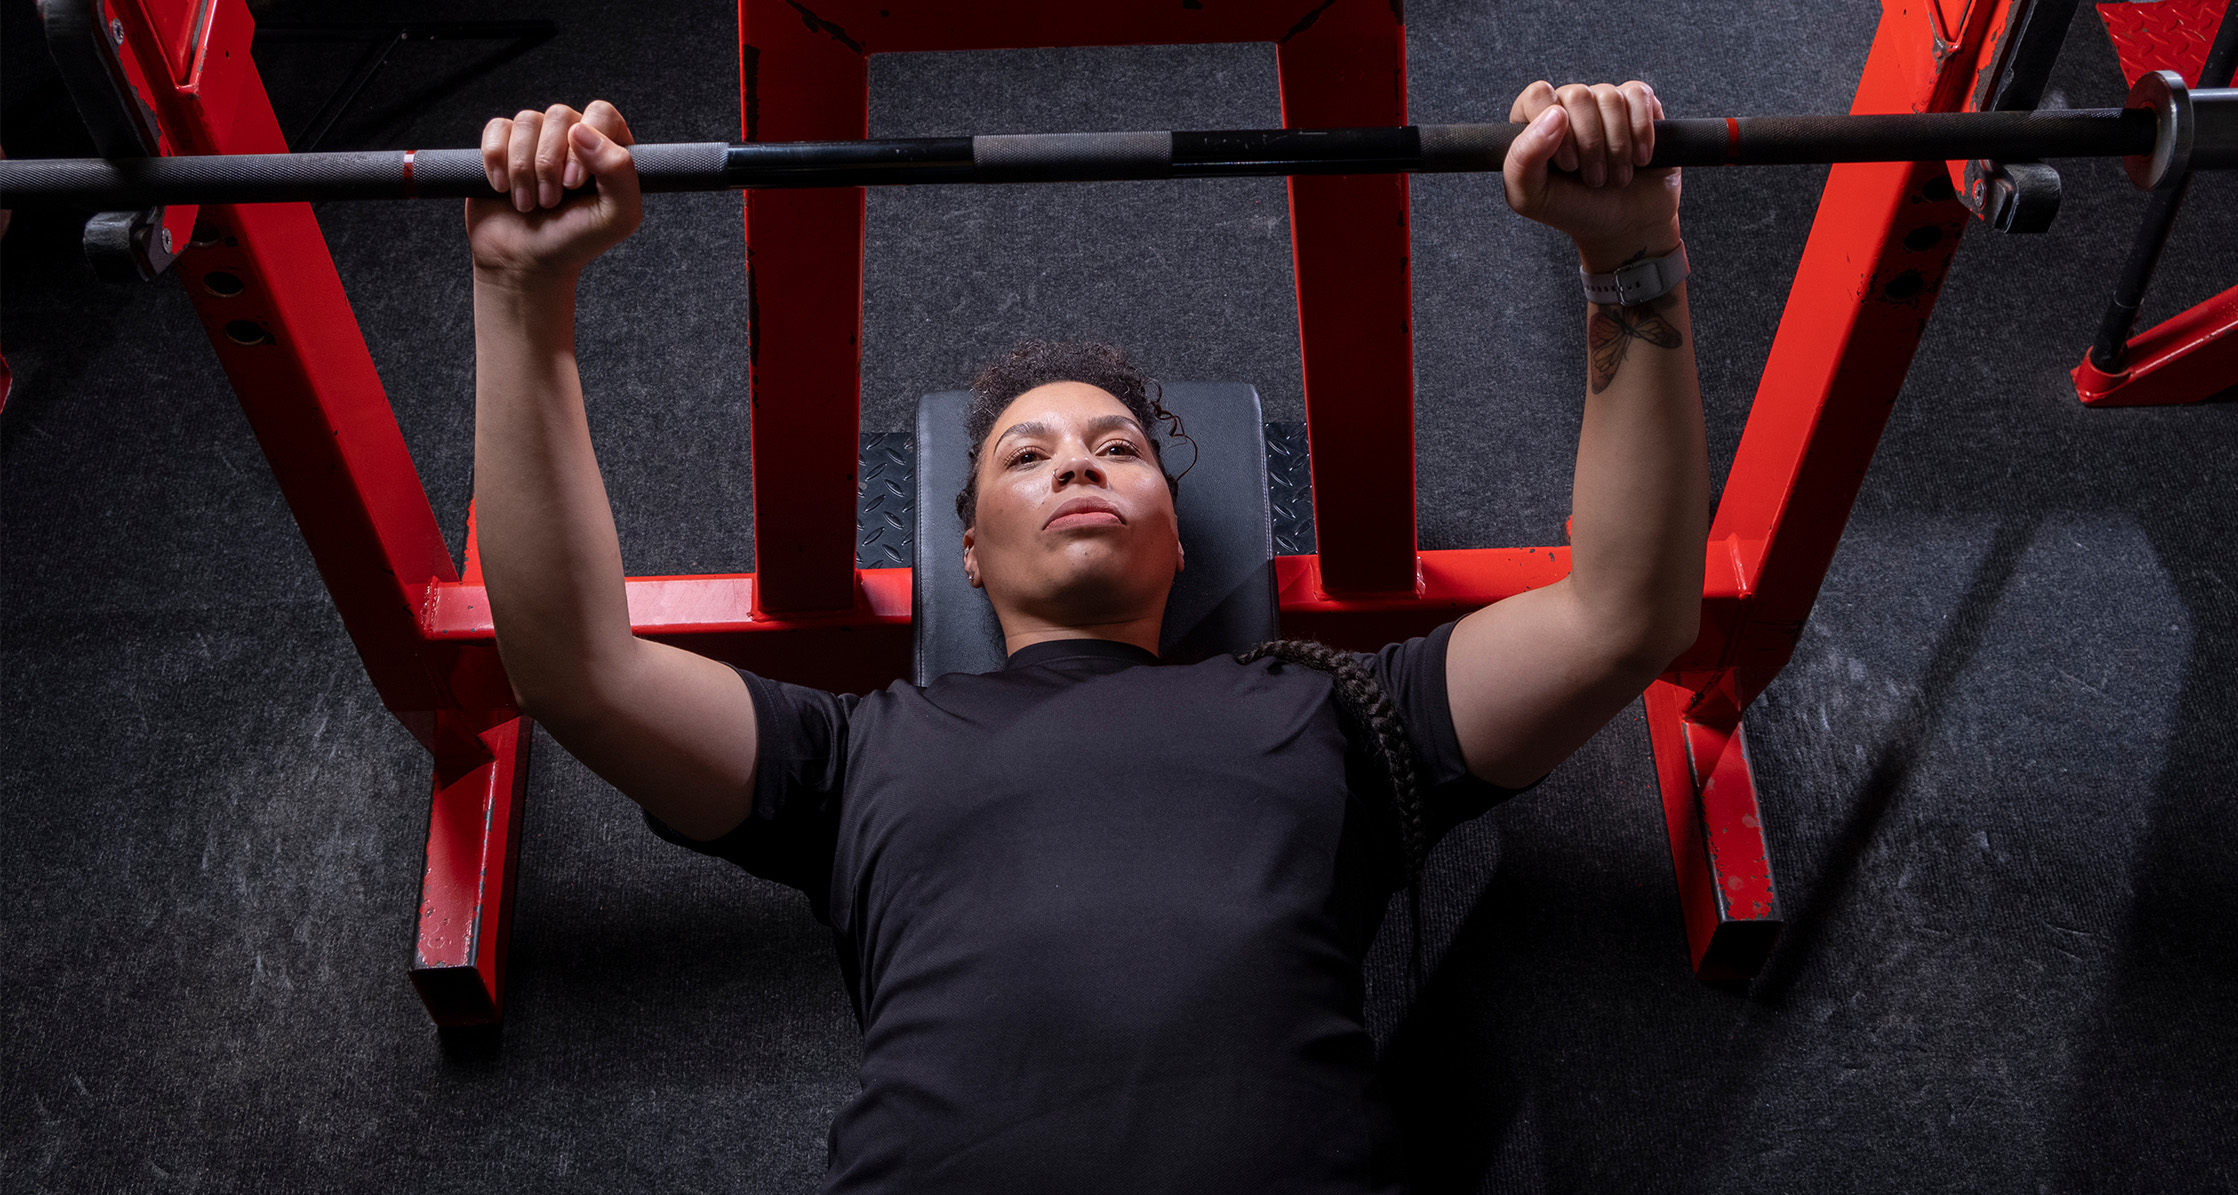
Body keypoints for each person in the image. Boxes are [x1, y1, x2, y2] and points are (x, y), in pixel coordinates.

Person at [468, 79, 1703, 1193]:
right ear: (964, 553)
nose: (1078, 463)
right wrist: (524, 294)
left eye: (1119, 448)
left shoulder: (1336, 712)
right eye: (1027, 454)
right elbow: (577, 672)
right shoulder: (848, 757)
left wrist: (1632, 254)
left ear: (1178, 539)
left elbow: (1623, 617)